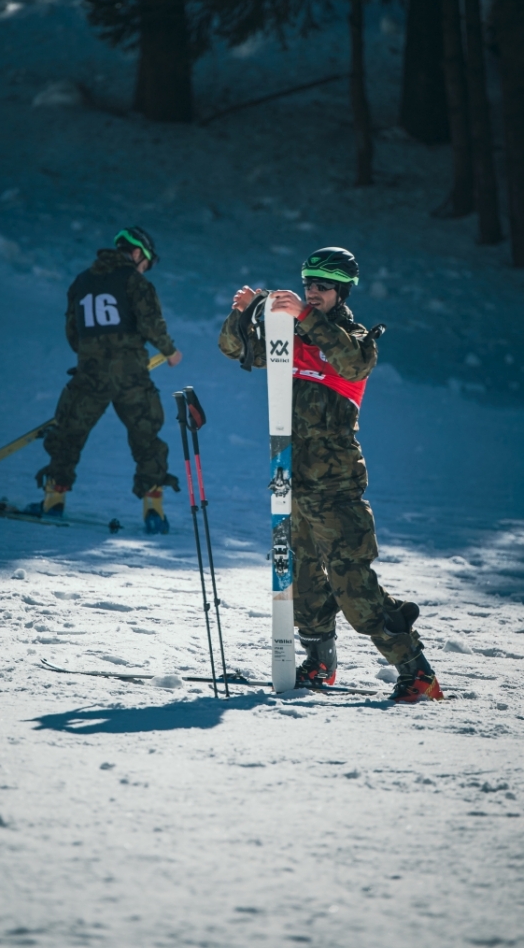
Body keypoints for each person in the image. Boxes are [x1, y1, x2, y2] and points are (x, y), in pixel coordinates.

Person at [218, 246, 444, 703]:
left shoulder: (353, 338)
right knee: (300, 581)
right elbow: (236, 351)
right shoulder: (293, 336)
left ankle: (416, 670)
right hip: (291, 481)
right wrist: (243, 316)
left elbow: (354, 364)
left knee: (352, 586)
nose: (312, 292)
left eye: (322, 286)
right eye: (308, 284)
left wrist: (305, 316)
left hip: (336, 484)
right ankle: (320, 662)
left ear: (341, 291)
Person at [33, 226, 182, 533]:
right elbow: (151, 323)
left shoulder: (82, 282)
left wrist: (95, 354)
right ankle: (153, 512)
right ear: (138, 253)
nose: (145, 269)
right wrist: (169, 351)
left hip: (90, 374)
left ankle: (53, 501)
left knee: (68, 434)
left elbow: (73, 334)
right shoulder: (135, 282)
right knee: (147, 438)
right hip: (131, 376)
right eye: (147, 263)